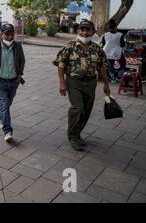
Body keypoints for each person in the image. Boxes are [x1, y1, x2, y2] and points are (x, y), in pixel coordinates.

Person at [53, 19, 110, 152]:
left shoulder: (98, 50)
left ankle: (77, 133)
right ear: (78, 31)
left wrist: (106, 85)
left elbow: (102, 68)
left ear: (93, 32)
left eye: (87, 30)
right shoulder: (70, 46)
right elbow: (61, 65)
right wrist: (62, 82)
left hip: (91, 83)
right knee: (77, 108)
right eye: (82, 29)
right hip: (74, 82)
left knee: (86, 111)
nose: (84, 32)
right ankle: (72, 136)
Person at [0, 24, 25, 143]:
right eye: (6, 34)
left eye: (11, 33)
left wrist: (19, 75)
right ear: (1, 34)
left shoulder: (17, 46)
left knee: (7, 104)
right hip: (0, 82)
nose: (9, 36)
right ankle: (7, 131)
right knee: (5, 103)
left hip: (13, 82)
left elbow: (22, 60)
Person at [101, 19, 126, 83]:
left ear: (109, 28)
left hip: (107, 52)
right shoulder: (120, 34)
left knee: (110, 66)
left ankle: (112, 78)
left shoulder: (105, 34)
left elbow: (103, 44)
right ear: (115, 27)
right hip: (117, 52)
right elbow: (123, 45)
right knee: (123, 64)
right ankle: (118, 77)